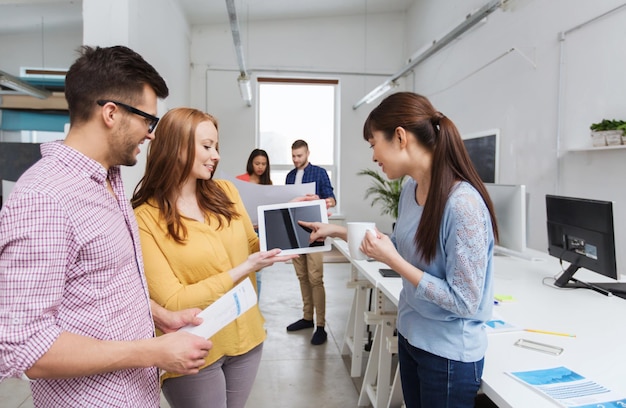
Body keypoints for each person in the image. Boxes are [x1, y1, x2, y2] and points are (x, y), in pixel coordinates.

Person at [0, 45, 212, 408]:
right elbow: (25, 347)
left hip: (136, 394)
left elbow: (103, 285)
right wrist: (153, 351)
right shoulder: (45, 198)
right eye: (149, 120)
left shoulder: (109, 180)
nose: (151, 134)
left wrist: (162, 317)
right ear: (111, 113)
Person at [299, 92, 498, 407]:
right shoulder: (410, 190)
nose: (373, 155)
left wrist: (394, 261)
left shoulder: (463, 205)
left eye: (373, 143)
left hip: (447, 355)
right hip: (410, 336)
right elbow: (400, 245)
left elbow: (465, 302)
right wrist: (336, 231)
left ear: (401, 137)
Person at [131, 107, 297, 408]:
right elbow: (174, 301)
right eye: (207, 146)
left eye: (216, 146)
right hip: (192, 347)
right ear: (176, 148)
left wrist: (287, 218)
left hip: (246, 335)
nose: (216, 155)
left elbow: (249, 243)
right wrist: (245, 268)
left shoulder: (225, 192)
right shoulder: (144, 218)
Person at [285, 139, 336, 345]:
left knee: (316, 277)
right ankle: (307, 318)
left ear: (307, 153)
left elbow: (332, 199)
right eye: (294, 156)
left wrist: (321, 199)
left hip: (315, 230)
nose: (296, 159)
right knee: (302, 276)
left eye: (300, 155)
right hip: (295, 231)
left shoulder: (319, 173)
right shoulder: (289, 176)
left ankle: (321, 325)